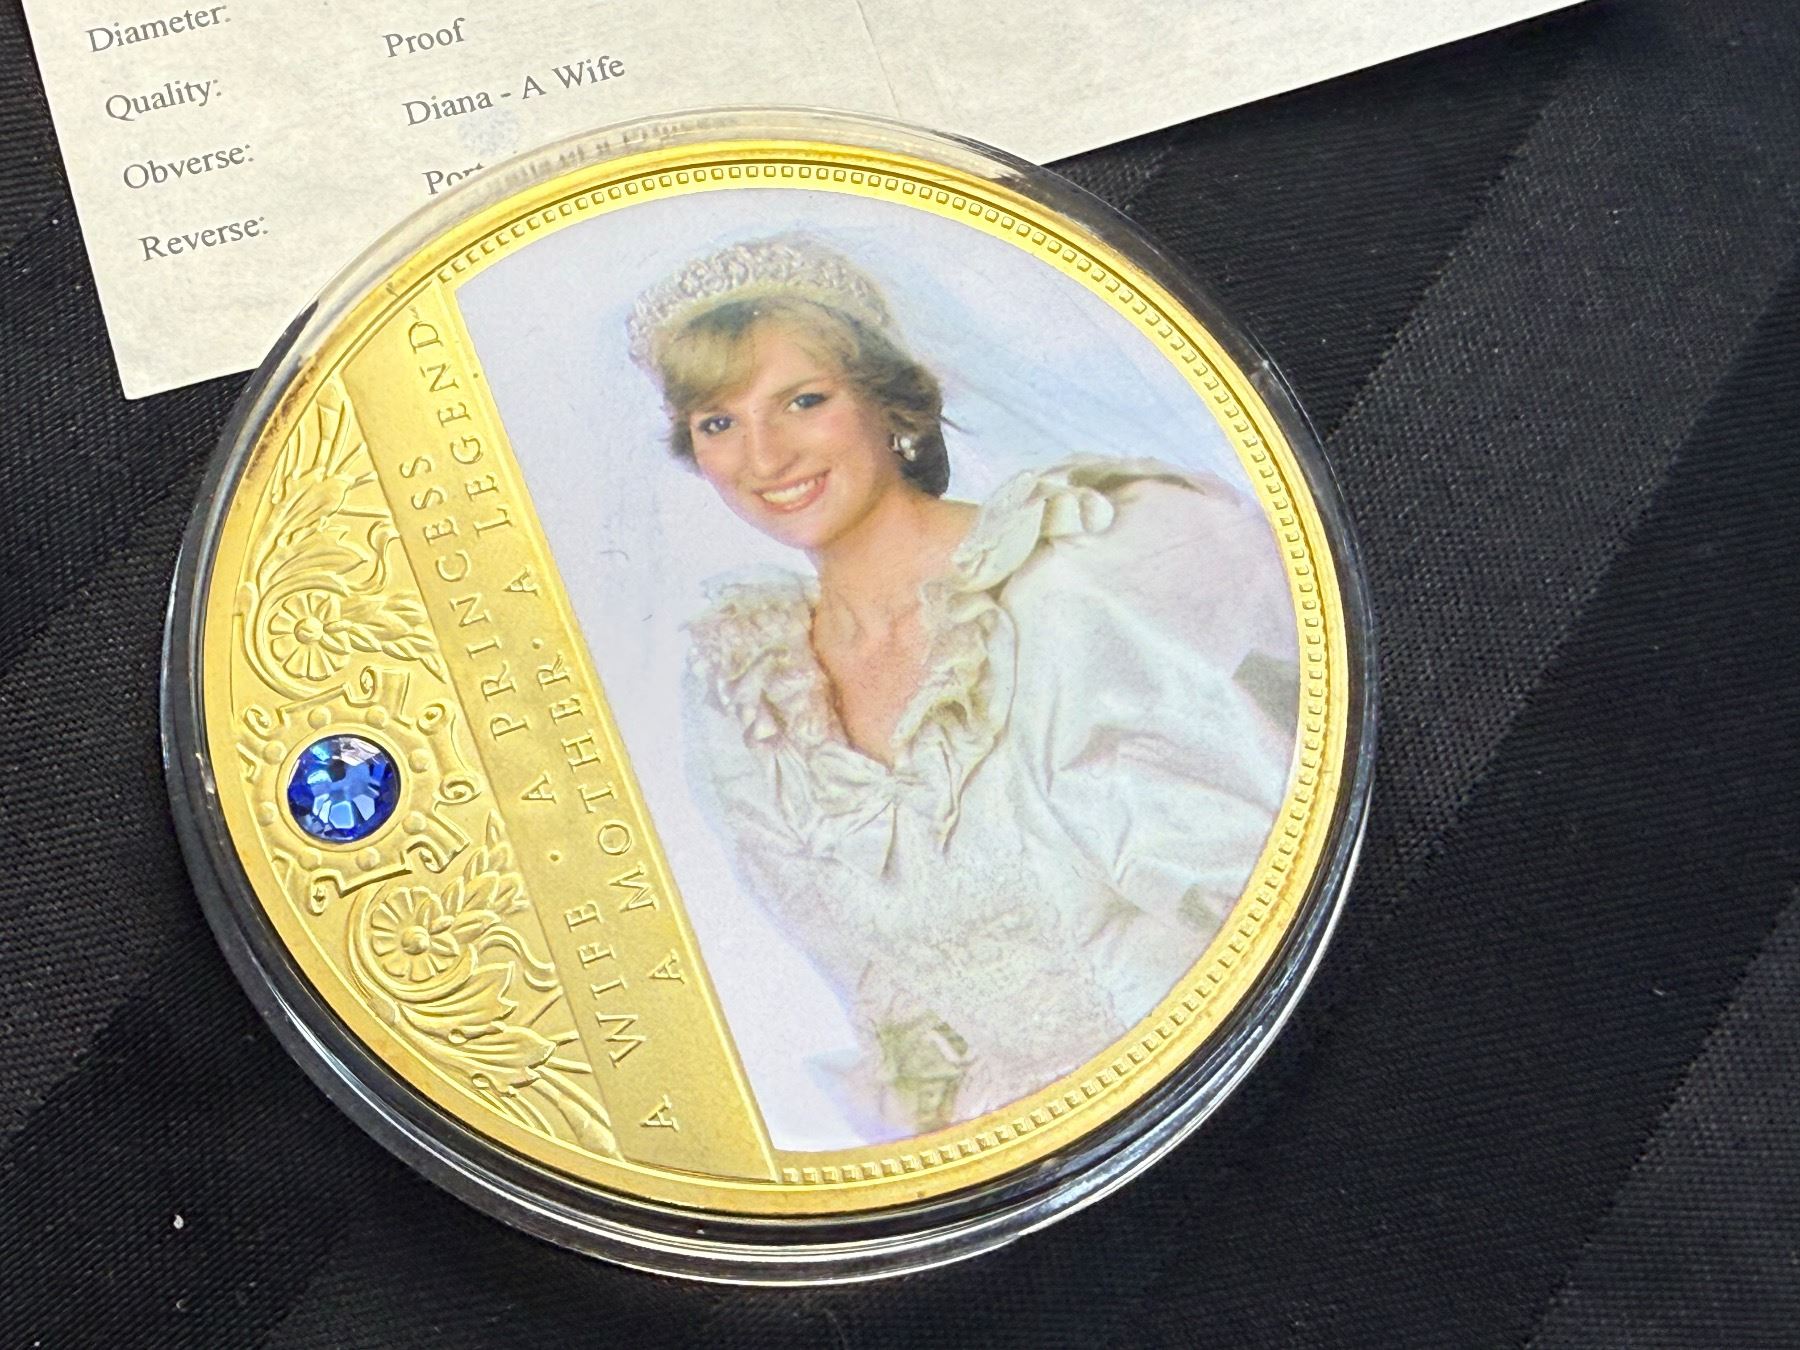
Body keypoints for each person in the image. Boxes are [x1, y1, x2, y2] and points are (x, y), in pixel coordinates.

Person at [627, 234, 1299, 1143]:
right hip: (1022, 1154)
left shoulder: (1081, 570)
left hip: (1248, 1080)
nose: (764, 456)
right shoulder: (749, 698)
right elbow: (888, 1010)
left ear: (890, 405)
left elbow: (1266, 877)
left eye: (804, 401)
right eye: (718, 423)